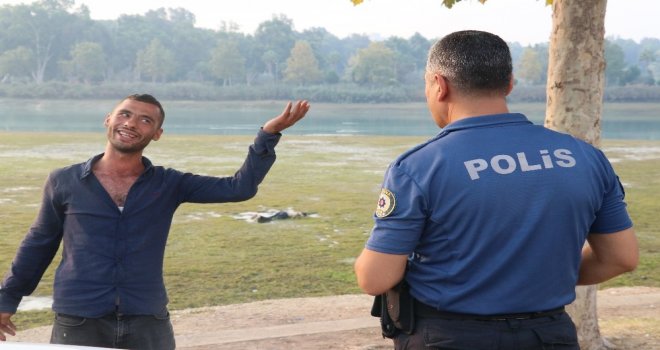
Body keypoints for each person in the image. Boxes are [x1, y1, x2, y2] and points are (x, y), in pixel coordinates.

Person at [354, 30, 638, 350]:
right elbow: (621, 257)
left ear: (439, 85)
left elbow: (374, 279)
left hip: (449, 337)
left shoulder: (418, 167)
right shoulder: (586, 158)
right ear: (509, 84)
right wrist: (534, 277)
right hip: (550, 335)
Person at [0, 94, 310, 348]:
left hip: (147, 319)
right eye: (125, 114)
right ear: (108, 119)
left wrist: (267, 135)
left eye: (145, 120)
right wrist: (7, 298)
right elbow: (39, 243)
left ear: (157, 134)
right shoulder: (64, 181)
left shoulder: (168, 183)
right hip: (79, 320)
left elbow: (239, 188)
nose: (131, 123)